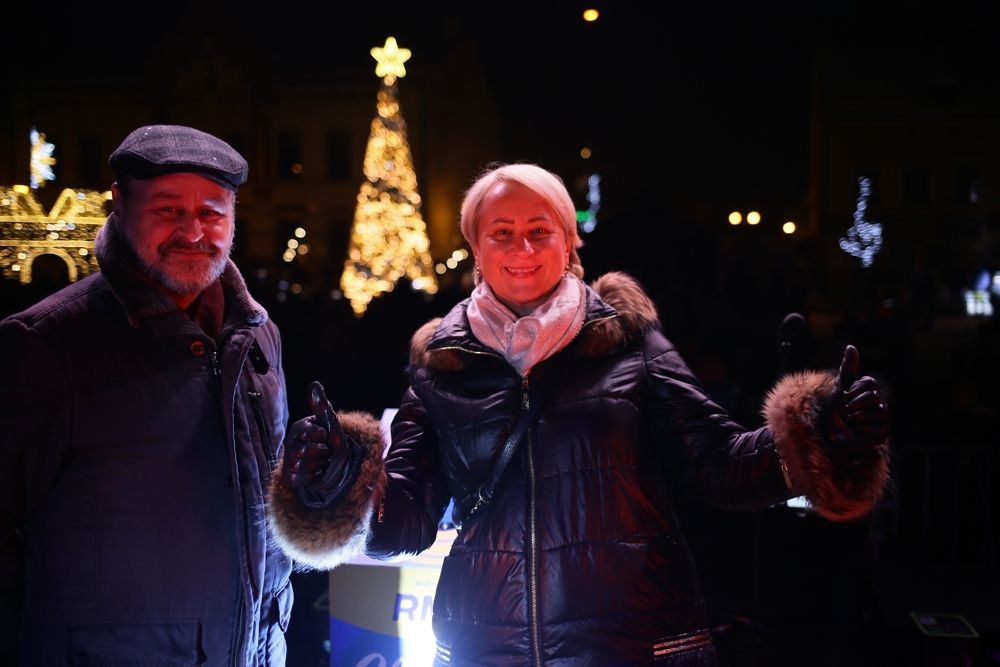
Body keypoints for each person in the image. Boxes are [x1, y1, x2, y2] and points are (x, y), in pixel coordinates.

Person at [267, 163, 891, 665]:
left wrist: (821, 433)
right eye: (501, 232)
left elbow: (718, 464)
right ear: (476, 248)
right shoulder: (439, 368)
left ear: (569, 243)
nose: (522, 247)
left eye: (540, 230)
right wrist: (337, 479)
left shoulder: (631, 343)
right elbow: (406, 517)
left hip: (631, 645)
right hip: (487, 647)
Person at [0, 125, 293, 665]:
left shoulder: (258, 335)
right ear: (120, 204)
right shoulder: (45, 345)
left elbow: (267, 505)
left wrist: (320, 489)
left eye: (211, 212)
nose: (192, 231)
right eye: (167, 209)